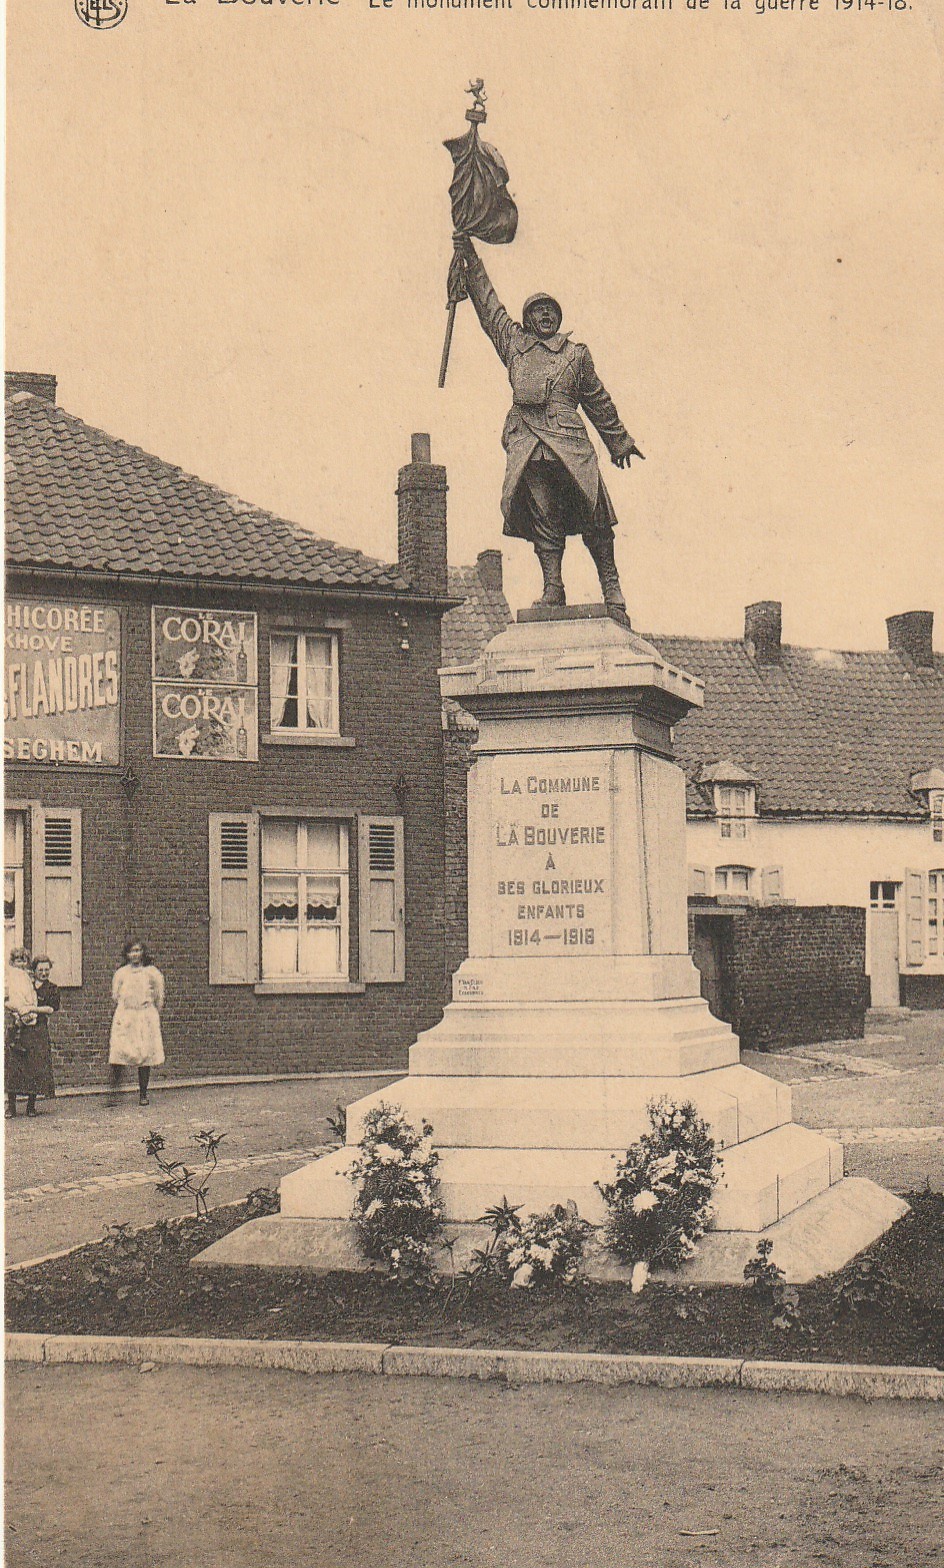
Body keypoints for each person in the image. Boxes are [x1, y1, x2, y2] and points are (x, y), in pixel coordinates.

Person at [458, 237, 644, 619]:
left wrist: (619, 439)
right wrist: (469, 256)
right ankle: (553, 588)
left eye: (550, 311)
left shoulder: (576, 355)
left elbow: (597, 399)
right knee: (543, 516)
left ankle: (612, 588)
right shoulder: (514, 345)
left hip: (569, 443)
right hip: (529, 444)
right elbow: (489, 306)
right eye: (538, 311)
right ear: (528, 319)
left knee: (594, 515)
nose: (545, 316)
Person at [108, 939, 165, 1107]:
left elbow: (159, 996)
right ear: (127, 954)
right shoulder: (121, 973)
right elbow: (115, 995)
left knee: (144, 1055)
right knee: (120, 1051)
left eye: (138, 950)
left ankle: (143, 1093)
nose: (135, 954)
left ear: (143, 953)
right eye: (131, 951)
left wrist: (149, 1013)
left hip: (144, 1016)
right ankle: (115, 1092)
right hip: (126, 1015)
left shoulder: (152, 973)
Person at [5, 946, 43, 1118]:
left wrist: (31, 1013)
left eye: (24, 960)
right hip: (15, 1023)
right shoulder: (7, 977)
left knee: (32, 1065)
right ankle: (11, 1107)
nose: (21, 963)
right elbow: (6, 998)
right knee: (13, 1067)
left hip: (30, 1023)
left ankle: (31, 1105)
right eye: (18, 960)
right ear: (12, 962)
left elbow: (33, 998)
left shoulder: (30, 978)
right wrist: (17, 1012)